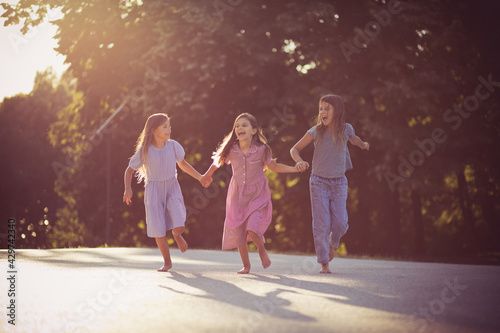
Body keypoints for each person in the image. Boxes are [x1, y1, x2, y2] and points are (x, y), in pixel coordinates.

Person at [200, 113, 305, 274]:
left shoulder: (262, 149)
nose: (239, 128)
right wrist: (206, 176)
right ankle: (246, 265)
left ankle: (261, 249)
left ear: (254, 130)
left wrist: (294, 169)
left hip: (257, 195)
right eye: (237, 126)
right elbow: (216, 163)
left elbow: (274, 167)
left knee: (252, 228)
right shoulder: (232, 149)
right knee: (239, 231)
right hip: (237, 196)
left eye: (244, 125)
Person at [290, 94, 369, 274]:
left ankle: (333, 243)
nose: (322, 112)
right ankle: (324, 263)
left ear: (337, 111)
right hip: (318, 182)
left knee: (341, 223)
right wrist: (299, 161)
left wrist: (363, 144)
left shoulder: (346, 129)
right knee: (322, 224)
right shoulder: (316, 131)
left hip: (339, 182)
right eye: (321, 109)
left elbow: (354, 139)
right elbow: (294, 149)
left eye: (327, 108)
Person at [123, 113, 205, 272]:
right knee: (158, 229)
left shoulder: (173, 146)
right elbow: (129, 170)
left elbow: (183, 165)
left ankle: (177, 235)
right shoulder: (145, 150)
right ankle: (167, 262)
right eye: (165, 126)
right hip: (153, 192)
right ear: (154, 130)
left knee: (179, 219)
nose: (169, 129)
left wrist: (200, 177)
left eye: (169, 126)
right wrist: (128, 188)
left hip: (172, 187)